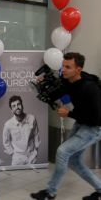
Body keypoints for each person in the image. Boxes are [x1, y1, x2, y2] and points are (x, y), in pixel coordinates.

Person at [31, 52, 101, 200]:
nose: (64, 70)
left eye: (68, 67)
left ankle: (50, 192)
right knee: (74, 162)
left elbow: (96, 118)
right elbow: (54, 94)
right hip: (82, 123)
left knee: (63, 152)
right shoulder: (67, 80)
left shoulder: (90, 88)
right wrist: (42, 85)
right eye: (63, 66)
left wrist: (69, 114)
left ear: (78, 70)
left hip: (94, 127)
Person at [3, 95, 40, 165]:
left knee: (33, 176)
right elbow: (6, 142)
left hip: (31, 156)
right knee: (17, 176)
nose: (17, 107)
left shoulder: (32, 118)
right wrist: (13, 154)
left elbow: (36, 136)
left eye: (18, 104)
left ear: (22, 105)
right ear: (11, 110)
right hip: (17, 158)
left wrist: (35, 152)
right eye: (13, 106)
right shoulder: (8, 124)